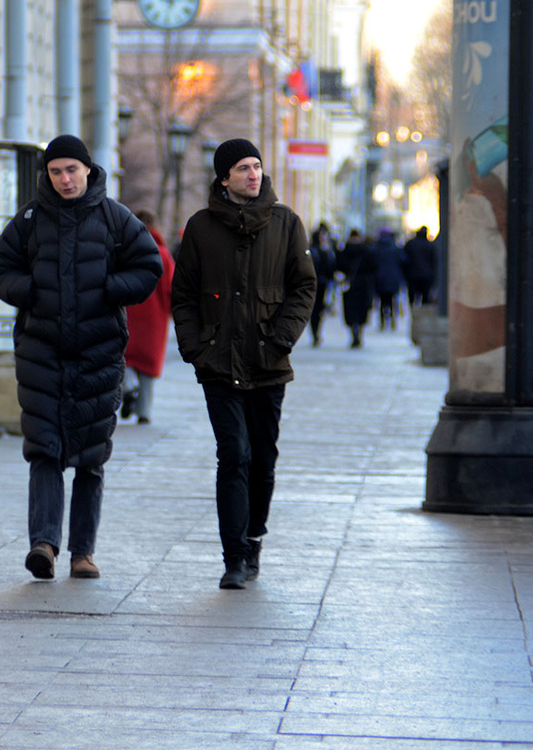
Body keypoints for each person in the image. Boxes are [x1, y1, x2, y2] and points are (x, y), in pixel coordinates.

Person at [0, 134, 162, 581]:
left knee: (90, 456)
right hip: (40, 352)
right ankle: (43, 544)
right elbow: (0, 269)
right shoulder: (29, 219)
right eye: (56, 171)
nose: (65, 180)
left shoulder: (115, 217)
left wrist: (110, 290)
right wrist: (30, 292)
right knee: (43, 449)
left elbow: (149, 267)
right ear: (47, 175)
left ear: (88, 169)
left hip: (98, 354)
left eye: (72, 170)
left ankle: (82, 552)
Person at [170, 138, 315, 590]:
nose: (253, 174)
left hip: (268, 361)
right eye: (242, 168)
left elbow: (303, 288)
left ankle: (254, 538)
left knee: (262, 458)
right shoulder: (200, 227)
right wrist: (196, 347)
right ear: (224, 178)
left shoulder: (286, 222)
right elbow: (184, 294)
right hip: (218, 363)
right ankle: (233, 556)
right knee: (234, 454)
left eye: (256, 166)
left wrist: (281, 339)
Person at [121, 209, 175, 425]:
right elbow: (171, 289)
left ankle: (127, 388)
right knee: (148, 368)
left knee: (123, 358)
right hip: (154, 320)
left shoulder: (124, 252)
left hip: (127, 314)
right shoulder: (162, 255)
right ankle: (144, 412)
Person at [336, 229, 377, 348]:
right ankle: (359, 334)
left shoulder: (344, 251)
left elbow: (339, 266)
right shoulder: (367, 251)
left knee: (350, 310)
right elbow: (373, 267)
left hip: (349, 284)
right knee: (362, 310)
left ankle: (353, 335)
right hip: (363, 285)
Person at [307, 222, 337, 346]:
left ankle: (315, 334)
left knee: (316, 309)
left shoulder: (312, 251)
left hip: (317, 283)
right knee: (317, 310)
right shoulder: (321, 251)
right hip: (319, 283)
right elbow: (329, 268)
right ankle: (315, 334)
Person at [371, 227, 405, 331]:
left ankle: (382, 322)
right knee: (392, 301)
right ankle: (393, 321)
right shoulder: (395, 248)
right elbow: (404, 261)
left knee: (382, 301)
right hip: (393, 278)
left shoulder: (375, 248)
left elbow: (371, 264)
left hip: (379, 278)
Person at [401, 226, 437, 307]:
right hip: (426, 276)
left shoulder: (410, 244)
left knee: (411, 298)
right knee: (425, 299)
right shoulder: (430, 245)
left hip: (412, 275)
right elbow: (434, 261)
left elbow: (404, 260)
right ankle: (423, 316)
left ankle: (413, 314)